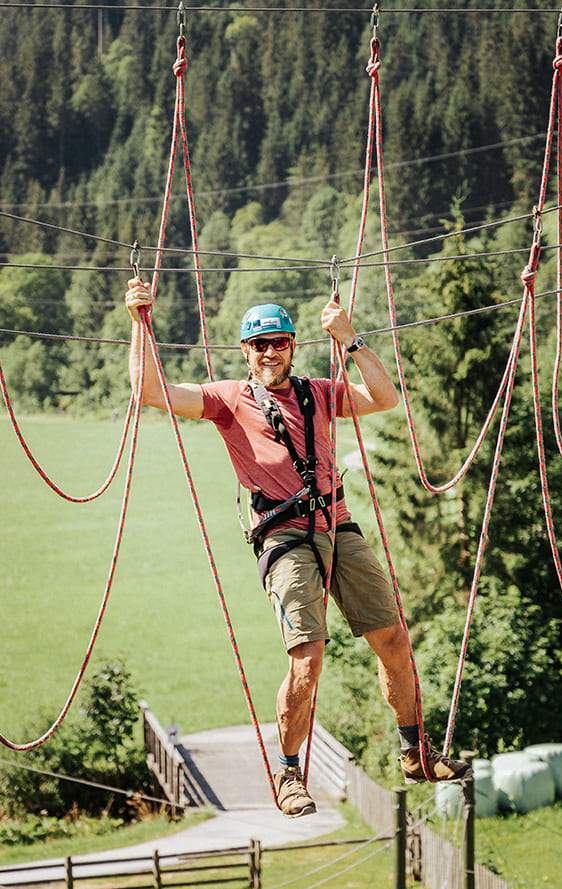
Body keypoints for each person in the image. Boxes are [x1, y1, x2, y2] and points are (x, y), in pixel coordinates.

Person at [125, 277, 472, 818]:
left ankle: (413, 751)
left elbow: (385, 398)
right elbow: (152, 392)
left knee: (395, 642)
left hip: (338, 527)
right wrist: (140, 322)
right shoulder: (227, 399)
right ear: (245, 352)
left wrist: (350, 338)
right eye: (259, 345)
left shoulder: (320, 393)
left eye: (278, 342)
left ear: (292, 346)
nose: (269, 352)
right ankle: (289, 773)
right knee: (308, 660)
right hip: (284, 537)